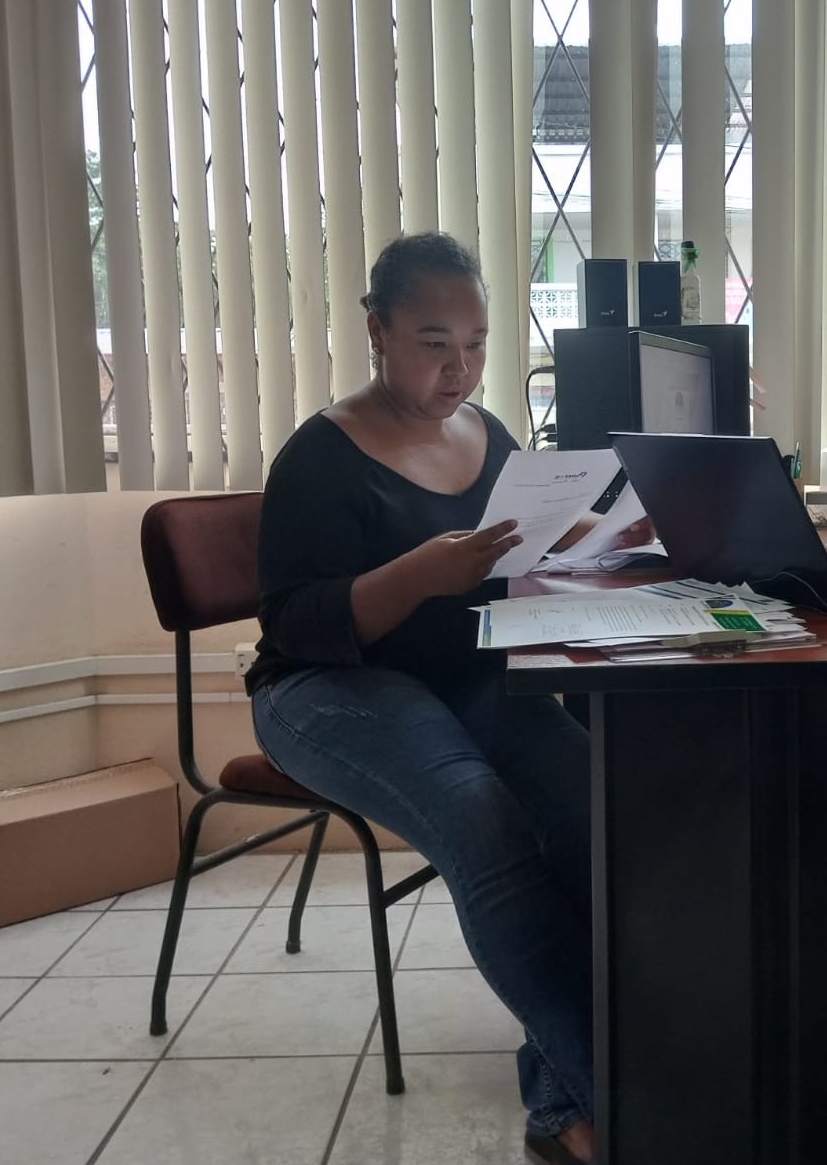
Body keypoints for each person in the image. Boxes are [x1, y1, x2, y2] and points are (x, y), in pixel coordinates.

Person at [247, 232, 641, 1165]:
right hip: (326, 687)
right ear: (377, 330)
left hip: (466, 673)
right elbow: (296, 625)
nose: (458, 369)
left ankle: (568, 1092)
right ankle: (617, 1106)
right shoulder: (321, 456)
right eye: (433, 344)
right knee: (482, 821)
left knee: (597, 811)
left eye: (476, 343)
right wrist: (420, 574)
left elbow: (527, 529)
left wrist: (617, 531)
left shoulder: (485, 432)